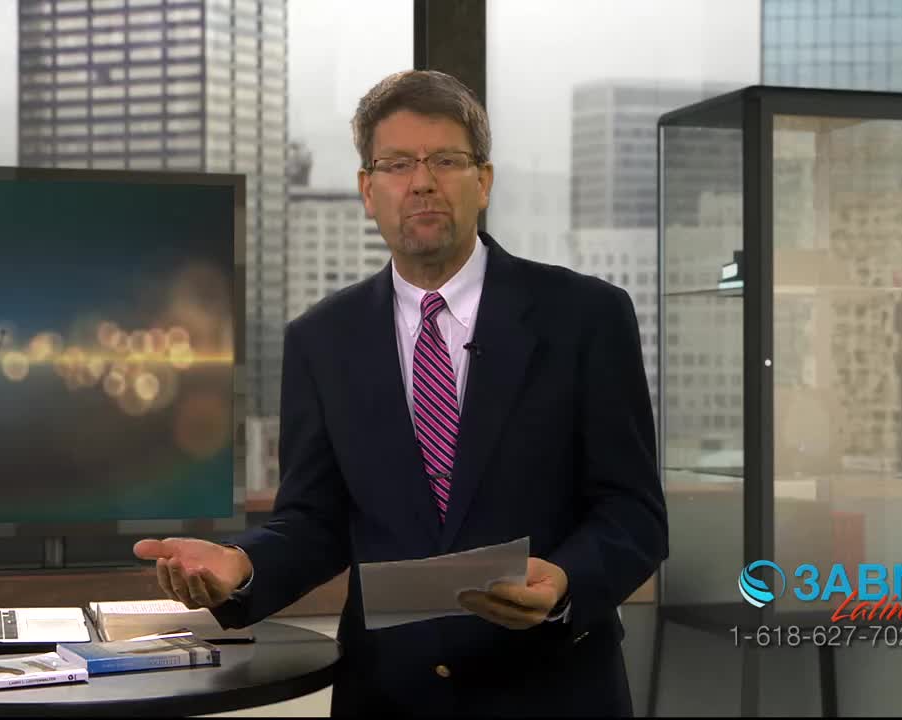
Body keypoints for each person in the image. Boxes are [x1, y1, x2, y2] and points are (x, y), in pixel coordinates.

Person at [134, 69, 667, 716]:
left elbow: (634, 514)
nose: (421, 182)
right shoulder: (322, 338)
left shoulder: (586, 316)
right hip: (389, 697)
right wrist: (240, 567)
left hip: (552, 689)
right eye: (395, 164)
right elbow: (316, 521)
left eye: (446, 160)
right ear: (367, 189)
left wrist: (564, 582)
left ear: (484, 181)